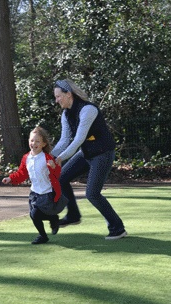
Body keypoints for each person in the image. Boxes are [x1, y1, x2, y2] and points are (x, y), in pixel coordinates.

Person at [51, 78, 127, 240]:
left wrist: (60, 158)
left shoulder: (88, 110)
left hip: (103, 153)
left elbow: (78, 140)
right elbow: (64, 140)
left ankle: (117, 228)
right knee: (61, 178)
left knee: (92, 193)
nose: (56, 100)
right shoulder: (66, 114)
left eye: (58, 96)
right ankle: (73, 215)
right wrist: (48, 157)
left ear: (68, 94)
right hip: (87, 153)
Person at [2, 126, 68, 244]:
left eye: (37, 141)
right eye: (32, 140)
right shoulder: (26, 158)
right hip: (34, 193)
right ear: (28, 141)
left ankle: (49, 224)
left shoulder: (47, 158)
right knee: (34, 215)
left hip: (47, 193)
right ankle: (48, 227)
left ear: (43, 144)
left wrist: (54, 167)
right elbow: (22, 173)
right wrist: (10, 178)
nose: (34, 143)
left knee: (35, 214)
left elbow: (56, 175)